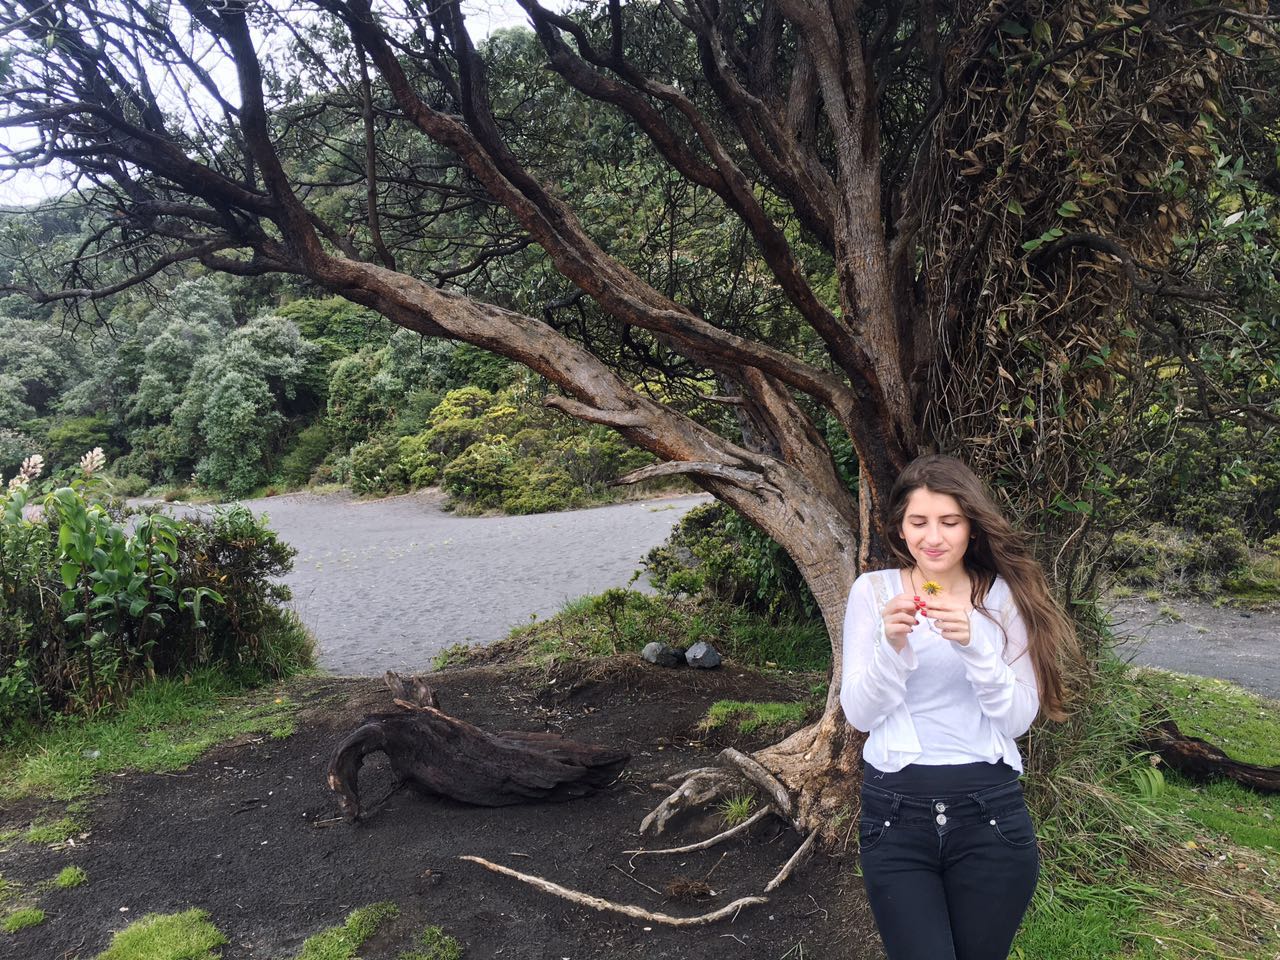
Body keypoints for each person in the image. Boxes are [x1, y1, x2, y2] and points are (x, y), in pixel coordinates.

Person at [840, 454, 1076, 960]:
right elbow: (859, 715)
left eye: (949, 522)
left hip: (990, 815)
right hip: (894, 816)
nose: (934, 537)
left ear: (971, 526)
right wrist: (892, 647)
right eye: (919, 522)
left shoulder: (1003, 597)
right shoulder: (873, 593)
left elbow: (1016, 720)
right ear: (899, 528)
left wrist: (974, 644)